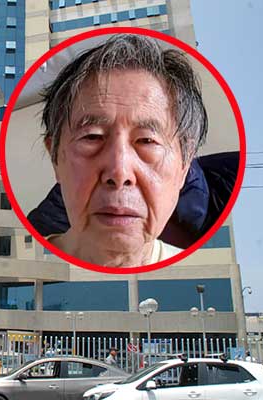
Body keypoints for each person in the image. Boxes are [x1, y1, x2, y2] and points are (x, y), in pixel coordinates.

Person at [34, 34, 209, 268]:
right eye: (92, 137)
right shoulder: (26, 265)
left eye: (146, 141)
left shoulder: (198, 273)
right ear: (55, 157)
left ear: (184, 166)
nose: (119, 172)